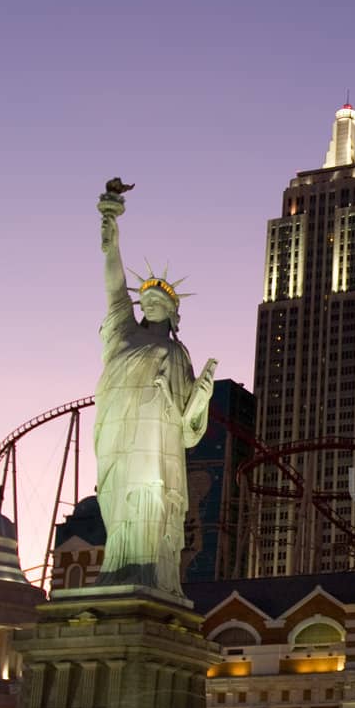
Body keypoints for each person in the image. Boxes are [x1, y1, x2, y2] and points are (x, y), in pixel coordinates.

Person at [94, 191, 216, 596]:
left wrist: (202, 398)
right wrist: (112, 234)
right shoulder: (124, 334)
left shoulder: (177, 353)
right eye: (144, 299)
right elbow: (114, 287)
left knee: (151, 497)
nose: (148, 303)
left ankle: (151, 575)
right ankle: (119, 568)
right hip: (117, 432)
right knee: (119, 499)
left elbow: (187, 426)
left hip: (156, 440)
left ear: (173, 312)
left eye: (158, 301)